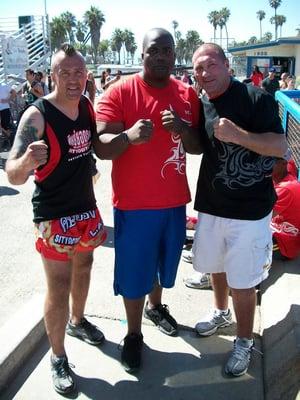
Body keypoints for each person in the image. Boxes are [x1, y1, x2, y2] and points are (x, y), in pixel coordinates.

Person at [94, 28, 199, 373]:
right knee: (135, 273)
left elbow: (199, 145)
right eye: (154, 50)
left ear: (174, 55)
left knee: (161, 267)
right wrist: (128, 136)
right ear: (142, 54)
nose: (161, 56)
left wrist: (184, 129)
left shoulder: (186, 93)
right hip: (135, 205)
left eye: (167, 50)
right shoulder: (119, 91)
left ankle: (156, 307)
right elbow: (101, 146)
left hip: (173, 202)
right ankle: (134, 335)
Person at [5, 44, 107, 395]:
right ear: (52, 74)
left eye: (79, 72)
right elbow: (12, 175)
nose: (73, 78)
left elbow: (92, 150)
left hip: (85, 208)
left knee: (85, 267)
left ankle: (78, 322)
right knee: (58, 285)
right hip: (53, 214)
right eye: (65, 72)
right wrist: (26, 162)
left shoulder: (86, 107)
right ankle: (58, 355)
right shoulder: (37, 115)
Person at [185, 43, 288, 377]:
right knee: (216, 268)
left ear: (227, 65)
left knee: (243, 282)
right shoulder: (203, 104)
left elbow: (280, 146)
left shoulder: (257, 98)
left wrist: (238, 136)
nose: (205, 73)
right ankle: (220, 312)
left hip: (250, 211)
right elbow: (199, 145)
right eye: (198, 68)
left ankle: (244, 340)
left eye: (211, 65)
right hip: (213, 206)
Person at [271, 159, 300, 260]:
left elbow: (261, 217)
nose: (265, 164)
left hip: (284, 242)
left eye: (270, 160)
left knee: (246, 234)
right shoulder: (284, 176)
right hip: (278, 227)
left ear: (283, 164)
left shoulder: (285, 188)